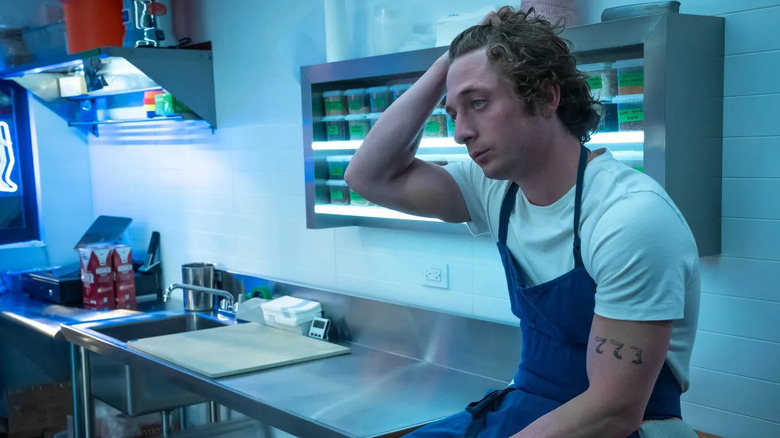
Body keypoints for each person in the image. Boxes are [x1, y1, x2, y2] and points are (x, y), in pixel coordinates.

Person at [344, 6, 701, 438]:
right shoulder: (495, 189)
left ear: (547, 98)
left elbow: (613, 410)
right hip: (528, 407)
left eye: (478, 103)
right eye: (453, 113)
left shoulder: (629, 218)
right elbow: (367, 176)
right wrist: (449, 65)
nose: (460, 133)